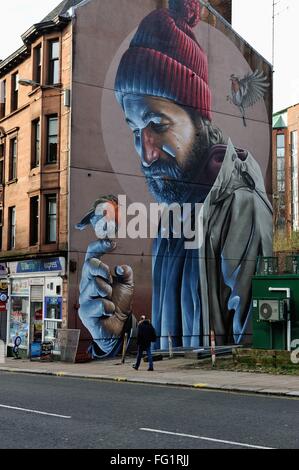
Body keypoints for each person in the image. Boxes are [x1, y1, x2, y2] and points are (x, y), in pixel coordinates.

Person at [77, 0, 272, 358]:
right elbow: (174, 344)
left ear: (199, 119)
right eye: (135, 131)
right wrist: (117, 332)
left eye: (157, 125)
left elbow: (256, 350)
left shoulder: (239, 204)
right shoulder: (174, 212)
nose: (145, 152)